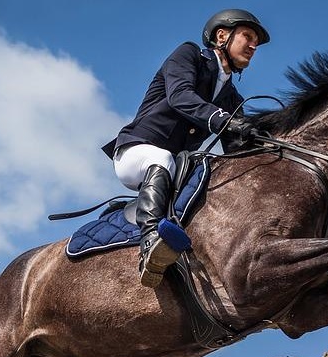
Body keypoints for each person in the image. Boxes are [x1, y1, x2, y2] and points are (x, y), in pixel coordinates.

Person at [102, 8, 270, 288]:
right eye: (248, 36)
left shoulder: (232, 97)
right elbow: (180, 96)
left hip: (176, 167)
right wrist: (223, 120)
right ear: (221, 35)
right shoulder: (189, 54)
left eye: (255, 41)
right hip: (136, 152)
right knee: (163, 158)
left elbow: (236, 151)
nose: (253, 46)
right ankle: (151, 241)